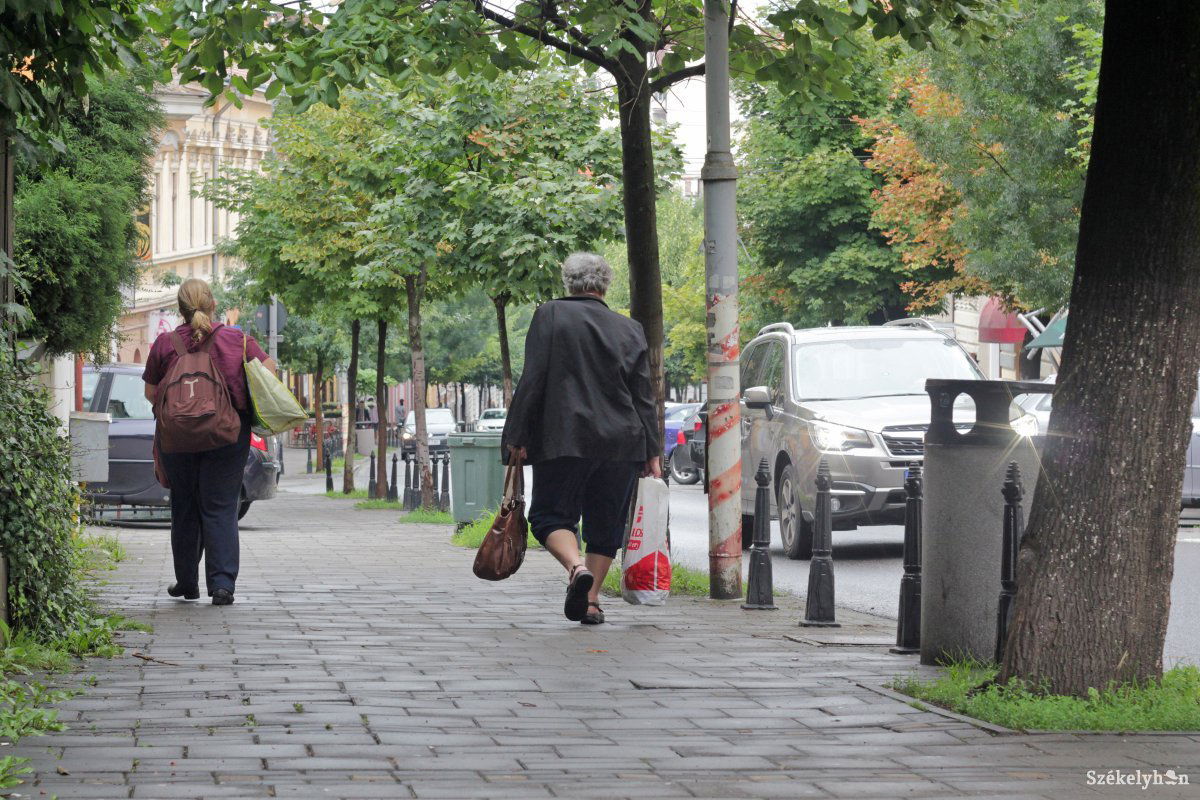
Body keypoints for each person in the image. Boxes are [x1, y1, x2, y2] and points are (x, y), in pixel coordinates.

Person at [502, 253, 662, 625]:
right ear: (605, 285)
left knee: (548, 516)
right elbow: (643, 395)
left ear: (568, 282)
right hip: (622, 441)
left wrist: (517, 435)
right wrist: (652, 450)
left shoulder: (550, 315)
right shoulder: (630, 328)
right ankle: (590, 602)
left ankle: (575, 568)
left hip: (564, 438)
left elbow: (534, 378)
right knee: (606, 524)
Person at [142, 278, 274, 606]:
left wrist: (183, 412)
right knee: (221, 507)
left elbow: (150, 392)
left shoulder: (163, 344)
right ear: (213, 304)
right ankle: (222, 585)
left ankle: (187, 582)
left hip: (178, 439)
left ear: (180, 308)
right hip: (227, 436)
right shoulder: (235, 339)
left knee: (184, 506)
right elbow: (268, 370)